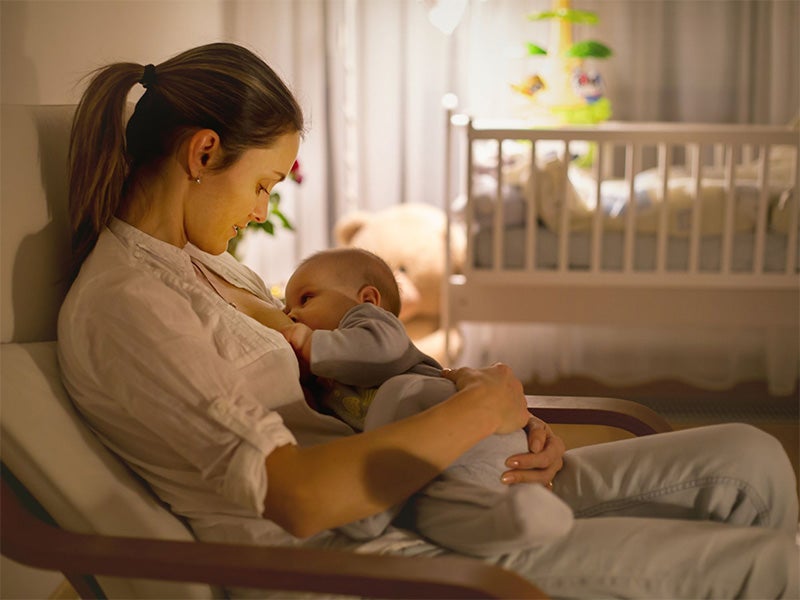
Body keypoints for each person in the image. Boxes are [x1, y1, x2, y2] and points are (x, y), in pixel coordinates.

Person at [57, 41, 798, 599]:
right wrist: (477, 412)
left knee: (748, 460)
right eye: (262, 183)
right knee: (769, 568)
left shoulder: (208, 264)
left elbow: (339, 379)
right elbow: (297, 498)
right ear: (203, 151)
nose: (261, 210)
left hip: (419, 488)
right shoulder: (127, 306)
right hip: (361, 555)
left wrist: (470, 394)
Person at [280, 247, 574, 555]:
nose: (291, 315)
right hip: (454, 460)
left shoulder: (370, 322)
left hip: (458, 417)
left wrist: (313, 344)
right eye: (286, 309)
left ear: (368, 299)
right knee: (425, 508)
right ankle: (521, 518)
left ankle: (368, 508)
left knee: (398, 391)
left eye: (305, 299)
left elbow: (379, 350)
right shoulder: (327, 377)